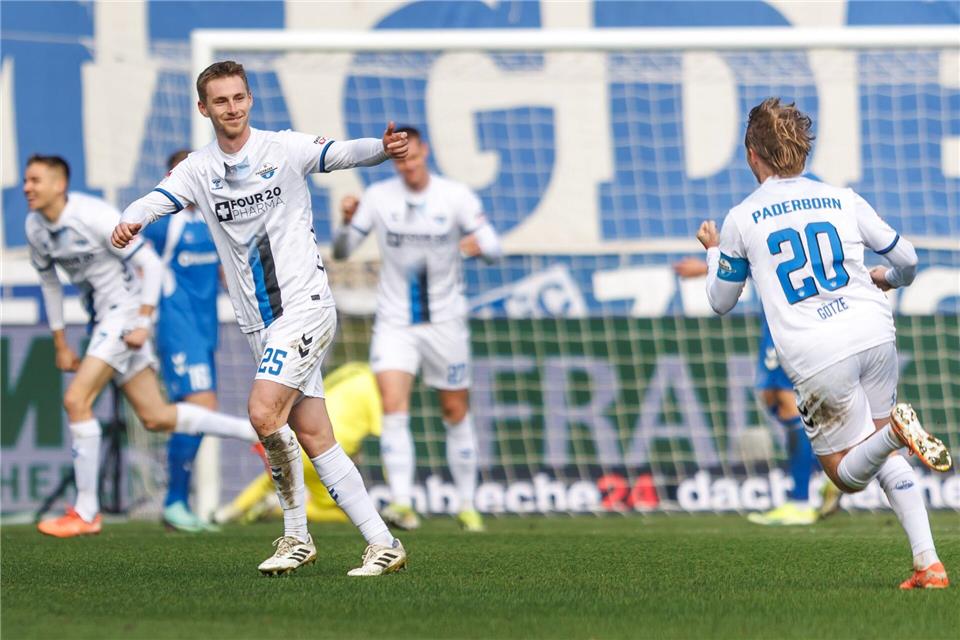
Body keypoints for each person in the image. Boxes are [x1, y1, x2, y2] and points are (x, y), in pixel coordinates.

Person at [114, 60, 408, 577]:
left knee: (262, 412)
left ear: (250, 100)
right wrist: (130, 219)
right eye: (220, 101)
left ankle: (296, 536)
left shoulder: (284, 148)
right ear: (203, 108)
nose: (232, 108)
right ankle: (383, 542)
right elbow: (158, 199)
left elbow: (340, 153)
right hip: (260, 324)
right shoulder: (198, 169)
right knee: (315, 436)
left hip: (306, 307)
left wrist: (383, 147)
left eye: (239, 98)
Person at [698, 98, 952, 589]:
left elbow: (721, 301)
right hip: (876, 333)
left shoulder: (742, 218)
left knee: (845, 475)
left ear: (752, 154)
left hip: (818, 353)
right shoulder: (842, 198)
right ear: (803, 153)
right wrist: (890, 278)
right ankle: (929, 564)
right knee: (881, 450)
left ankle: (899, 433)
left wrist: (713, 254)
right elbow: (910, 258)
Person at [23, 154, 260, 539]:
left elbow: (149, 265)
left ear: (59, 184)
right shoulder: (36, 227)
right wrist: (60, 342)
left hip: (125, 316)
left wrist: (143, 320)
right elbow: (49, 283)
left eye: (35, 180)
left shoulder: (95, 216)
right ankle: (256, 433)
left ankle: (86, 512)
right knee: (156, 416)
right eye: (26, 181)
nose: (27, 187)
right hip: (106, 319)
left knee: (76, 401)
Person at [333, 126, 501, 533]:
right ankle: (403, 504)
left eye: (413, 152)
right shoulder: (378, 198)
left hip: (446, 321)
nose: (407, 161)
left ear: (425, 150)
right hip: (395, 321)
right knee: (393, 408)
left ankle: (466, 505)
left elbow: (494, 247)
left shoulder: (454, 196)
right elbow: (341, 251)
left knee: (454, 411)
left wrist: (479, 246)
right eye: (400, 155)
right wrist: (345, 222)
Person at [673, 258, 841, 524]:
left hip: (789, 325)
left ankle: (802, 499)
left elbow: (761, 259)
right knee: (777, 397)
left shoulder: (775, 231)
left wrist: (712, 263)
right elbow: (756, 263)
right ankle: (835, 472)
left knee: (785, 400)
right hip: (797, 323)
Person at [143, 149, 225, 532]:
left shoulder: (213, 219)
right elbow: (132, 260)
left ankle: (178, 501)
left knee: (196, 413)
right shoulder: (163, 226)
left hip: (206, 328)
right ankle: (175, 500)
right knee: (201, 405)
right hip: (176, 328)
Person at [214, 362, 381, 525]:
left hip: (299, 436)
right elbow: (385, 434)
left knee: (272, 477)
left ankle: (230, 511)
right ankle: (275, 508)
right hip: (327, 449)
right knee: (344, 512)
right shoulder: (377, 391)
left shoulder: (354, 370)